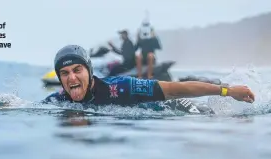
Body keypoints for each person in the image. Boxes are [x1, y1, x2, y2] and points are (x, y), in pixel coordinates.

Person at [43, 45, 255, 114]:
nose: (71, 77)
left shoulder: (120, 87)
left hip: (174, 108)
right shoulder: (59, 100)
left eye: (77, 69)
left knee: (213, 117)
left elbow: (176, 89)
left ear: (89, 71)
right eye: (64, 73)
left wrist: (227, 91)